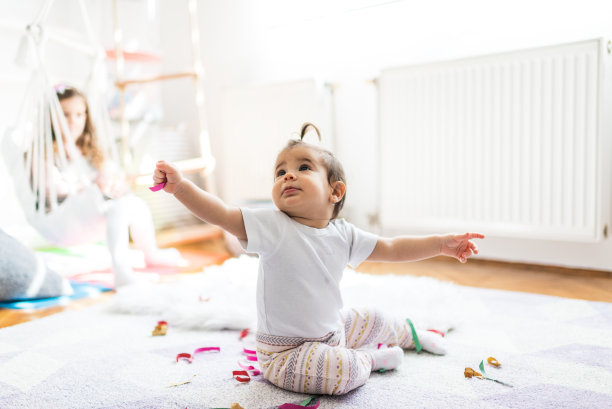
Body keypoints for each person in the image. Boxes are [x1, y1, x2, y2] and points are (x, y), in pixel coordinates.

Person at [153, 122, 484, 395]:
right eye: (280, 171)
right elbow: (222, 214)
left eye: (303, 167)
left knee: (374, 317)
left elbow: (394, 247)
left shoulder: (344, 234)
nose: (288, 175)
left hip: (332, 332)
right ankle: (369, 359)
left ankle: (412, 335)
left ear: (335, 192)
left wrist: (441, 244)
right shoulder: (272, 226)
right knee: (342, 372)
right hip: (285, 354)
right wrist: (180, 187)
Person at [53, 85, 181, 287]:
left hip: (95, 208)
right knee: (120, 207)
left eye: (79, 115)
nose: (73, 122)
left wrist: (110, 183)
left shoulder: (88, 149)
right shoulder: (46, 152)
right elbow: (53, 189)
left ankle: (151, 253)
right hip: (66, 217)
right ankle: (121, 271)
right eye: (65, 115)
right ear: (52, 117)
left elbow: (108, 174)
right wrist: (87, 185)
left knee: (135, 204)